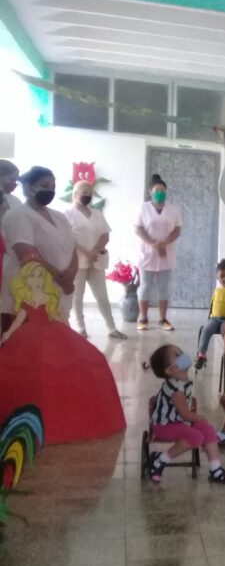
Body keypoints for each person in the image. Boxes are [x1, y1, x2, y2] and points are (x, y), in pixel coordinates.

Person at [0, 261, 126, 444]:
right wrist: (8, 334)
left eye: (40, 276)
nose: (37, 280)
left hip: (53, 333)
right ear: (25, 280)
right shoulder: (26, 300)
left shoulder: (48, 296)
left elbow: (58, 317)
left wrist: (73, 338)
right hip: (29, 337)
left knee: (78, 362)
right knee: (29, 368)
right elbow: (19, 320)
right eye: (32, 276)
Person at [142, 344, 225, 485]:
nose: (183, 355)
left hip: (179, 422)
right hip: (164, 425)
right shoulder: (176, 389)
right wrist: (200, 417)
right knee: (196, 436)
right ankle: (160, 459)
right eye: (177, 355)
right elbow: (185, 414)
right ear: (171, 369)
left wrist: (200, 421)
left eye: (180, 351)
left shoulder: (183, 382)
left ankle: (216, 469)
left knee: (207, 429)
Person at [0, 166, 77, 322]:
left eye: (53, 187)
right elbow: (26, 253)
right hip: (29, 291)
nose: (50, 191)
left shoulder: (59, 216)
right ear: (28, 188)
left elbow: (72, 247)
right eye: (44, 186)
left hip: (59, 290)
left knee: (57, 340)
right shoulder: (18, 215)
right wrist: (60, 278)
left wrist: (70, 274)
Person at [65, 180, 126, 339]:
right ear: (75, 194)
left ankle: (112, 328)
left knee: (102, 296)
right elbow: (68, 238)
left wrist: (94, 251)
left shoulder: (97, 214)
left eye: (89, 193)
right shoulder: (67, 214)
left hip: (96, 260)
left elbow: (105, 234)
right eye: (84, 192)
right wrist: (86, 253)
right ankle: (80, 328)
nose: (87, 196)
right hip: (77, 261)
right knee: (78, 296)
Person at [134, 174, 182, 331]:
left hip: (166, 252)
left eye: (162, 190)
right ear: (151, 192)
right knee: (145, 286)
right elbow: (138, 228)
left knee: (163, 287)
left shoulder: (173, 210)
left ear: (166, 192)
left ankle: (163, 319)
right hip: (147, 252)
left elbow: (177, 230)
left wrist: (164, 243)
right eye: (157, 190)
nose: (160, 192)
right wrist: (153, 244)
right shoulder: (143, 208)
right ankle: (143, 318)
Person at [196, 260, 225, 370]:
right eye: (222, 276)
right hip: (214, 319)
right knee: (206, 330)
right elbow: (211, 307)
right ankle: (201, 355)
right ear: (217, 278)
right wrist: (208, 320)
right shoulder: (217, 290)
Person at [0, 160, 20, 329]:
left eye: (16, 180)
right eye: (11, 179)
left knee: (8, 304)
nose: (14, 183)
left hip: (9, 259)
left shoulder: (15, 201)